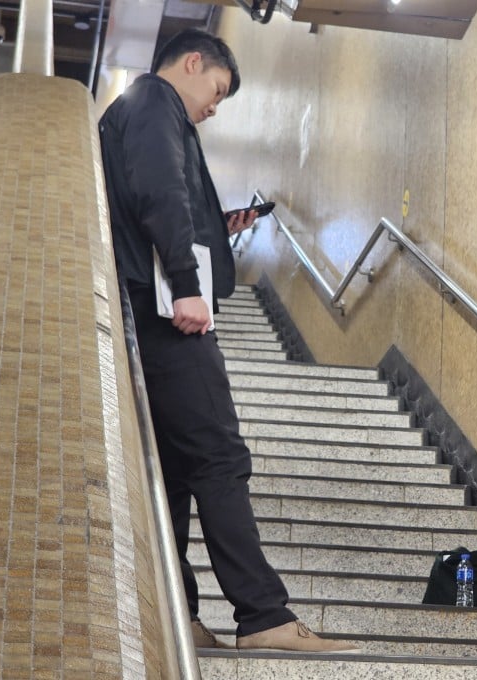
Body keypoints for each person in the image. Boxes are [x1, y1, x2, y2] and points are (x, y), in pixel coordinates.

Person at [99, 28, 359, 653]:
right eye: (215, 91)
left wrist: (220, 227)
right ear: (193, 64)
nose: (213, 107)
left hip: (145, 313)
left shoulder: (132, 114)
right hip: (166, 317)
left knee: (180, 471)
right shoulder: (154, 101)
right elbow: (160, 188)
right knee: (218, 455)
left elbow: (155, 197)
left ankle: (181, 614)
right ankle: (264, 616)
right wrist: (189, 284)